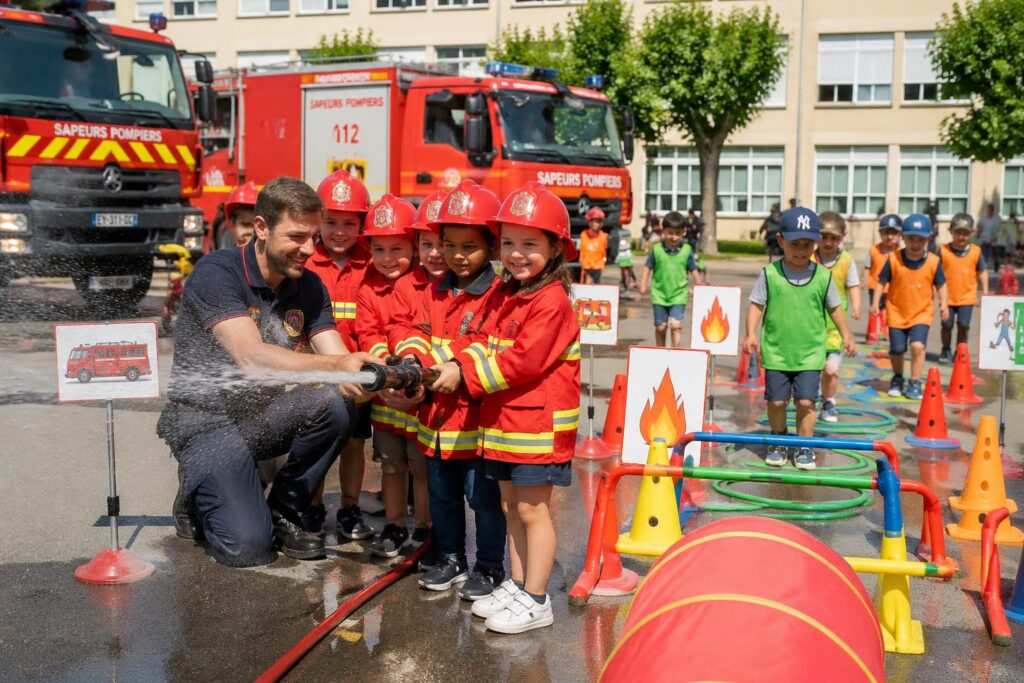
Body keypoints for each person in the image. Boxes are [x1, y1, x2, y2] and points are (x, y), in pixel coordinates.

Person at [157, 176, 380, 567]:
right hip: (207, 422)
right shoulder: (217, 273)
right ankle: (197, 487)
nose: (310, 249)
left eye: (314, 236)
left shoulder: (309, 286)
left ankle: (285, 508)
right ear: (261, 227)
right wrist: (336, 366)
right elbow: (251, 357)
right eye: (296, 236)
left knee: (339, 402)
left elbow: (337, 356)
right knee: (248, 549)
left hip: (260, 418)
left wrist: (373, 379)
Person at [431, 181, 581, 634]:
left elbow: (523, 361)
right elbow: (479, 338)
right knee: (513, 507)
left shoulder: (550, 302)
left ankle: (537, 599)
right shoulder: (507, 293)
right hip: (505, 425)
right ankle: (518, 586)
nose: (517, 254)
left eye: (530, 243)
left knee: (534, 511)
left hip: (536, 429)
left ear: (556, 248)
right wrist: (449, 361)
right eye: (510, 242)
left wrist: (465, 376)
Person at [392, 181, 508, 601]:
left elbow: (488, 342)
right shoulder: (435, 291)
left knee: (484, 500)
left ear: (491, 248)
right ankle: (451, 557)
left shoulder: (500, 295)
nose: (457, 255)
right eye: (450, 244)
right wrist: (412, 359)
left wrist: (453, 364)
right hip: (436, 422)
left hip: (476, 425)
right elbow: (408, 328)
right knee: (441, 496)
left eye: (469, 247)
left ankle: (491, 567)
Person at [744, 207, 855, 470]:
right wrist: (750, 333)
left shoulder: (822, 276)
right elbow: (756, 305)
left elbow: (835, 308)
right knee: (776, 401)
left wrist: (847, 335)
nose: (800, 250)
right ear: (781, 240)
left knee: (806, 401)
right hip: (777, 352)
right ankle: (779, 439)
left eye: (807, 244)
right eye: (794, 244)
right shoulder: (770, 274)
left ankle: (805, 445)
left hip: (809, 354)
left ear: (815, 244)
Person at [354, 194, 432, 558]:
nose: (388, 258)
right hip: (386, 394)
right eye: (380, 249)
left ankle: (425, 530)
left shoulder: (427, 285)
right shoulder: (368, 289)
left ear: (414, 247)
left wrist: (410, 375)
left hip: (419, 398)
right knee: (391, 465)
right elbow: (368, 333)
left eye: (398, 248)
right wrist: (388, 371)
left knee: (420, 466)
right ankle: (395, 526)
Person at [303, 169, 375, 542]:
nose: (340, 231)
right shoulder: (305, 260)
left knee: (354, 444)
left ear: (363, 223)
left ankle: (349, 508)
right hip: (316, 371)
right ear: (318, 220)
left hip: (358, 373)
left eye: (350, 223)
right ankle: (313, 507)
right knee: (316, 442)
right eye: (331, 222)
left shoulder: (373, 260)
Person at [871, 214, 949, 400]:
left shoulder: (933, 261)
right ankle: (898, 378)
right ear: (902, 238)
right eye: (911, 238)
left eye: (920, 239)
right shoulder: (893, 259)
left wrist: (944, 303)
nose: (915, 243)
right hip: (897, 312)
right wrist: (875, 303)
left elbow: (941, 284)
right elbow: (881, 282)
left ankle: (914, 381)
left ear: (928, 239)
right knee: (897, 349)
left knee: (917, 346)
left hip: (921, 313)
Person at [812, 212, 861, 423]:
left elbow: (853, 285)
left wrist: (857, 306)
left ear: (843, 236)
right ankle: (810, 398)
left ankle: (829, 400)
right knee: (812, 368)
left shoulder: (847, 260)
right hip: (811, 325)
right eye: (824, 237)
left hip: (835, 328)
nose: (828, 242)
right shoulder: (810, 257)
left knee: (831, 369)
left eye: (834, 238)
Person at [640, 211, 702, 348]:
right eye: (670, 233)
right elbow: (647, 268)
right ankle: (660, 351)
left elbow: (693, 270)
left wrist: (700, 286)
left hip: (679, 294)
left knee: (675, 325)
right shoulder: (656, 250)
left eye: (678, 233)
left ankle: (676, 351)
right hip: (659, 294)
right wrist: (643, 285)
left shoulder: (687, 250)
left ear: (683, 232)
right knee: (661, 327)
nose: (673, 237)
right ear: (663, 231)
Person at [938, 213, 989, 364]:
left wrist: (985, 291)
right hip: (947, 297)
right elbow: (933, 271)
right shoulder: (943, 251)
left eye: (965, 233)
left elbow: (982, 271)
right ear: (950, 231)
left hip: (967, 297)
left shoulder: (976, 252)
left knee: (964, 325)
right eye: (958, 232)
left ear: (972, 233)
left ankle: (960, 351)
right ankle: (945, 349)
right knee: (946, 324)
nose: (961, 237)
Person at [864, 214, 903, 342]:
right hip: (875, 286)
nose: (890, 236)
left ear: (900, 235)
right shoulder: (873, 250)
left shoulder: (901, 252)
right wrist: (864, 282)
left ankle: (887, 332)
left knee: (890, 311)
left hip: (894, 288)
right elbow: (867, 267)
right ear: (880, 233)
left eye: (893, 233)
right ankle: (872, 332)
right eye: (886, 233)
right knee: (875, 309)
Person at [223, 181, 258, 247]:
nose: (250, 231)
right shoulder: (226, 256)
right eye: (245, 224)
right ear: (232, 223)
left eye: (255, 226)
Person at [579, 208, 608, 284]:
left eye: (599, 222)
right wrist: (582, 261)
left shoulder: (604, 237)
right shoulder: (584, 235)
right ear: (590, 222)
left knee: (596, 287)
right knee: (587, 285)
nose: (596, 224)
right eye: (595, 221)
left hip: (598, 266)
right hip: (587, 266)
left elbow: (604, 252)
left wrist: (603, 263)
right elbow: (582, 250)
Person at [610, 223, 638, 290]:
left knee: (628, 269)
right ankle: (625, 282)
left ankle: (632, 281)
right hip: (623, 253)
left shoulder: (617, 233)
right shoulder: (625, 232)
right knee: (627, 269)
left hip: (624, 253)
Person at [978, 203, 1003, 270]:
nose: (988, 212)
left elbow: (1000, 229)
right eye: (987, 210)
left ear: (992, 211)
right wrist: (978, 236)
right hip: (984, 238)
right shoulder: (983, 219)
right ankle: (983, 266)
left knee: (994, 253)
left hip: (993, 239)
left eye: (989, 210)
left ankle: (996, 265)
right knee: (984, 253)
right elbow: (980, 228)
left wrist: (997, 236)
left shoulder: (997, 219)